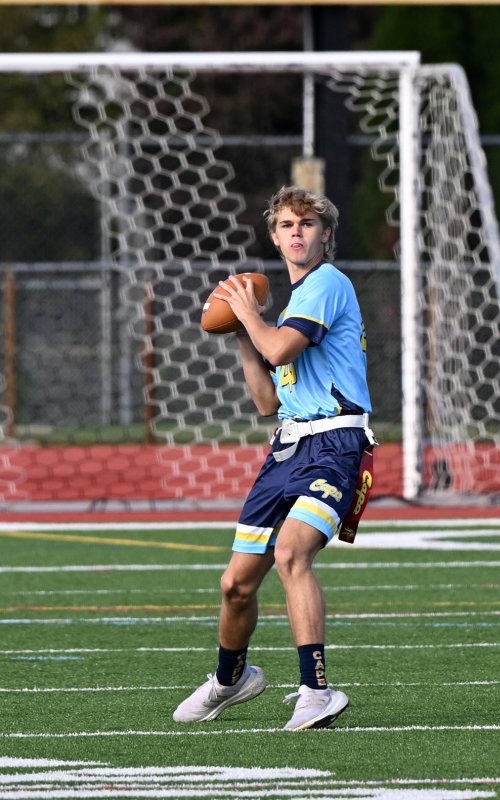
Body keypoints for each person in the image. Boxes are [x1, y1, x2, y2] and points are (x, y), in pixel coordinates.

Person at [173, 185, 375, 731]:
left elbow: (281, 349)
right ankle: (230, 679)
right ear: (275, 236)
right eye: (286, 225)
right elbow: (266, 402)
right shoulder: (289, 310)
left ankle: (316, 691)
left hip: (334, 444)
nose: (296, 232)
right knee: (235, 585)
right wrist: (244, 333)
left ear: (325, 235)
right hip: (287, 448)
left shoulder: (327, 284)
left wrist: (245, 311)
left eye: (307, 224)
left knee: (291, 553)